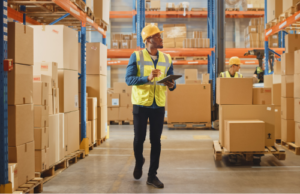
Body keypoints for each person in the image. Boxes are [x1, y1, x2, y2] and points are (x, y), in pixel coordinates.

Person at [125, 24, 176, 189]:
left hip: (158, 105)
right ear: (148, 40)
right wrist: (146, 78)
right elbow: (129, 80)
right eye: (158, 36)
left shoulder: (167, 58)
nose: (161, 39)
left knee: (156, 141)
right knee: (139, 139)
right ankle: (139, 161)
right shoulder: (136, 56)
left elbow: (173, 84)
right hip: (141, 104)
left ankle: (152, 175)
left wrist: (171, 84)